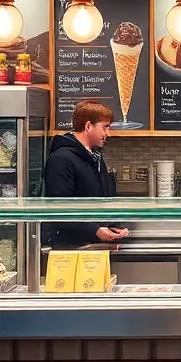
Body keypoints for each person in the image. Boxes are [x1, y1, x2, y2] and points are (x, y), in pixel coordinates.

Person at [43, 100, 130, 250]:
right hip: (71, 248)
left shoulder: (95, 157)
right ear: (88, 126)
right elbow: (60, 209)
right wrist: (94, 230)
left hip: (92, 245)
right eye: (105, 127)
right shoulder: (61, 159)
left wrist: (113, 226)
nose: (107, 133)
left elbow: (100, 200)